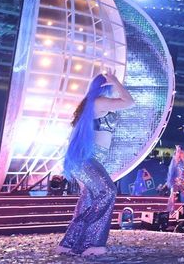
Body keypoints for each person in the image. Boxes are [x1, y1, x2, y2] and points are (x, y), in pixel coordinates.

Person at [57, 73, 134, 256]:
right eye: (113, 85)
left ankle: (70, 243)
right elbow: (129, 101)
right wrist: (115, 81)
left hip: (90, 160)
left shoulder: (97, 103)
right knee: (108, 192)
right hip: (86, 160)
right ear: (106, 86)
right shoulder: (99, 102)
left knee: (88, 201)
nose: (116, 87)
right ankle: (92, 242)